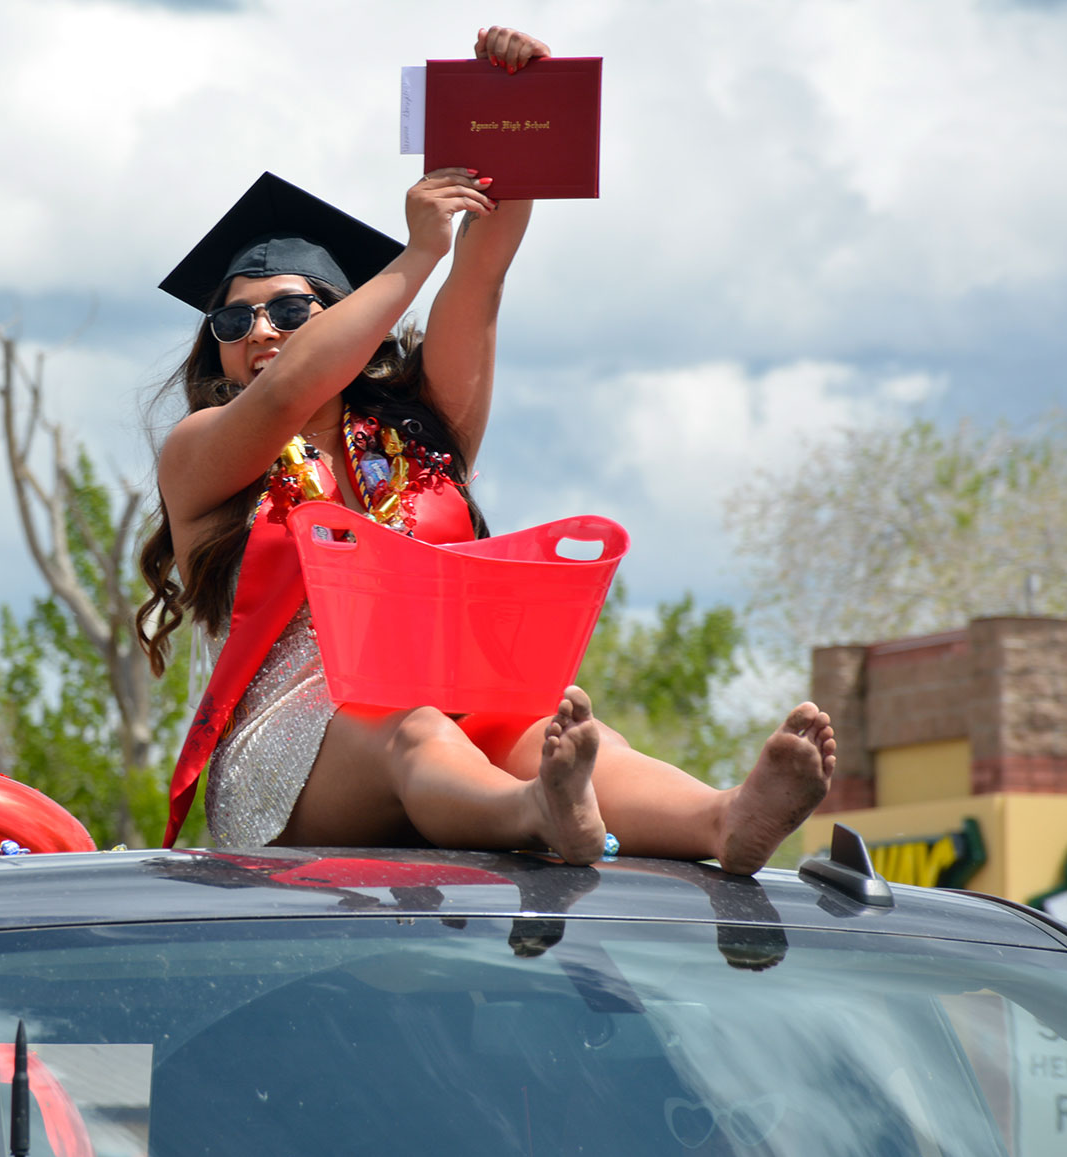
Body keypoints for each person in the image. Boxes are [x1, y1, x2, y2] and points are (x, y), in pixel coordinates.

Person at [135, 26, 837, 867]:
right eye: (232, 319)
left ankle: (723, 819)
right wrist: (418, 252)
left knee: (541, 726)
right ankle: (536, 813)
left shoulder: (419, 429)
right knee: (416, 727)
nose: (260, 331)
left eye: (289, 311)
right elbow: (291, 391)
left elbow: (485, 271)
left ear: (341, 314)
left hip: (456, 707)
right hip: (291, 755)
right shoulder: (202, 456)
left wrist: (508, 103)